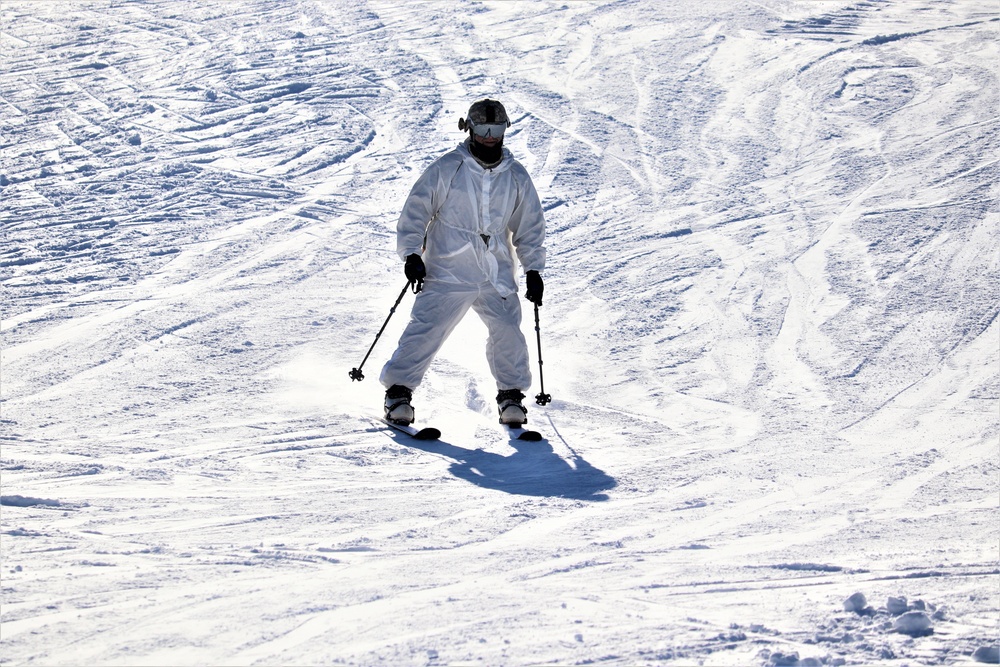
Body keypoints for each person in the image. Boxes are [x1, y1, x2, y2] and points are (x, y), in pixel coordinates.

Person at [379, 98, 546, 427]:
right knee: (428, 327)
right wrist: (412, 253)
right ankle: (398, 392)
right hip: (447, 267)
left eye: (496, 129)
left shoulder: (515, 176)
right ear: (469, 129)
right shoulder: (448, 168)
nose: (489, 136)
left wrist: (533, 270)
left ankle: (511, 397)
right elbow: (416, 210)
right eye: (482, 129)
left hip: (494, 269)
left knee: (508, 330)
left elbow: (529, 225)